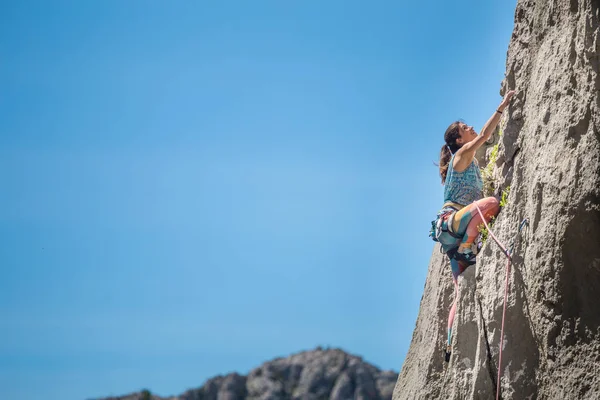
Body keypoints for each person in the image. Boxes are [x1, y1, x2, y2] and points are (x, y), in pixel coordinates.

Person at [433, 89, 516, 361]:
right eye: (464, 128)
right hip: (454, 222)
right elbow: (484, 135)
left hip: (451, 233)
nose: (469, 128)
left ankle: (448, 345)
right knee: (491, 203)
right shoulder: (462, 155)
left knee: (461, 289)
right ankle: (468, 246)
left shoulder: (467, 161)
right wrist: (502, 107)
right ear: (459, 139)